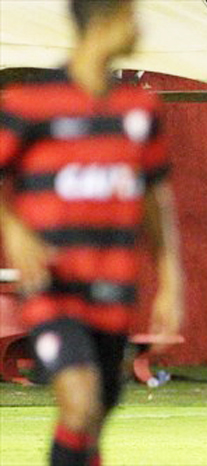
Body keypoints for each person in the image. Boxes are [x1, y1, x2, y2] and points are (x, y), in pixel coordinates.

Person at [0, 1, 183, 464]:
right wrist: (15, 227)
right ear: (108, 21)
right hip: (53, 287)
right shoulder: (29, 104)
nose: (140, 27)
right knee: (80, 402)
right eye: (133, 15)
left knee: (95, 414)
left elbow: (154, 199)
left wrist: (171, 279)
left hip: (113, 290)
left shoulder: (141, 109)